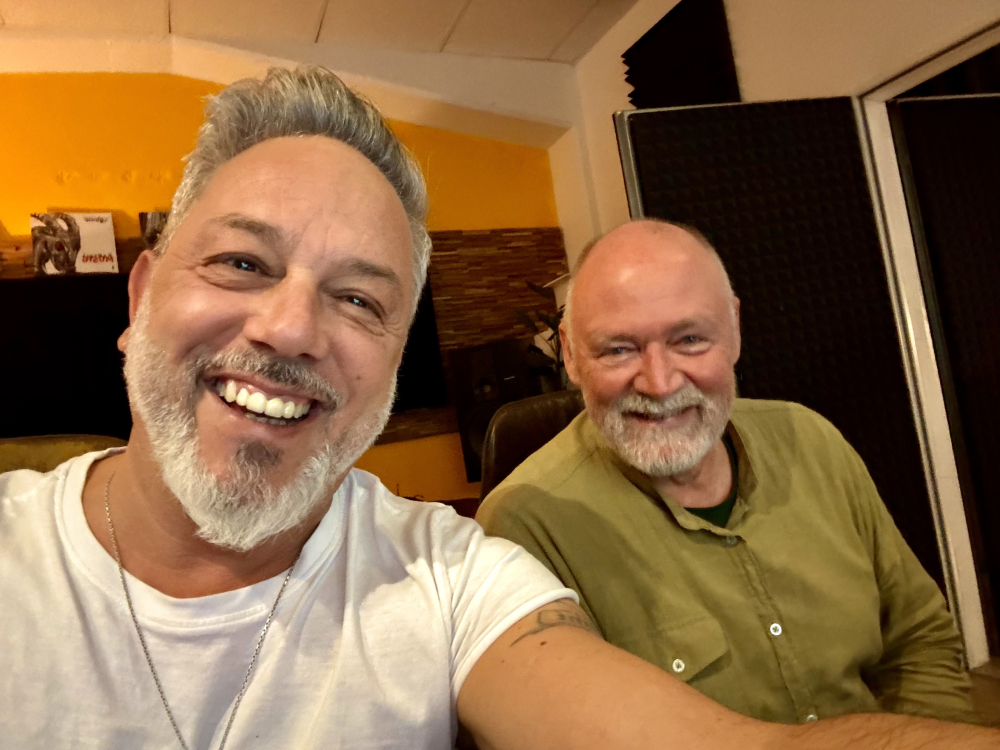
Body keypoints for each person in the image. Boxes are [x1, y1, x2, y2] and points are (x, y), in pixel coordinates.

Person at [1, 67, 995, 750]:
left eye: (359, 299)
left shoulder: (450, 579)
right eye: (241, 262)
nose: (292, 327)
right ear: (139, 299)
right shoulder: (529, 512)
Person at [477, 219, 982, 729]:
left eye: (690, 339)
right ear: (569, 352)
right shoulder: (524, 526)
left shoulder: (813, 441)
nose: (659, 383)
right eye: (618, 349)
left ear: (735, 328)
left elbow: (919, 638)